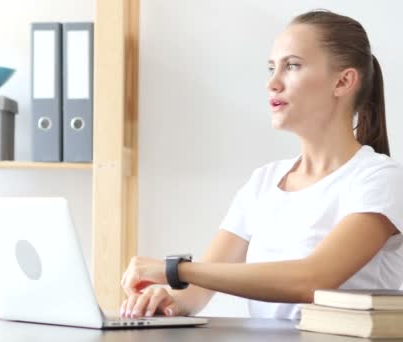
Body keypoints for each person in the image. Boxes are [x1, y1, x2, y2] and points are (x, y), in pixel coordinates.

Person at [120, 9, 403, 320]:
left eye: (292, 66)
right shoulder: (264, 181)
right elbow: (195, 293)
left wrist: (175, 269)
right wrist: (166, 298)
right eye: (271, 68)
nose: (273, 83)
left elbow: (311, 280)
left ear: (343, 81)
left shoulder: (379, 179)